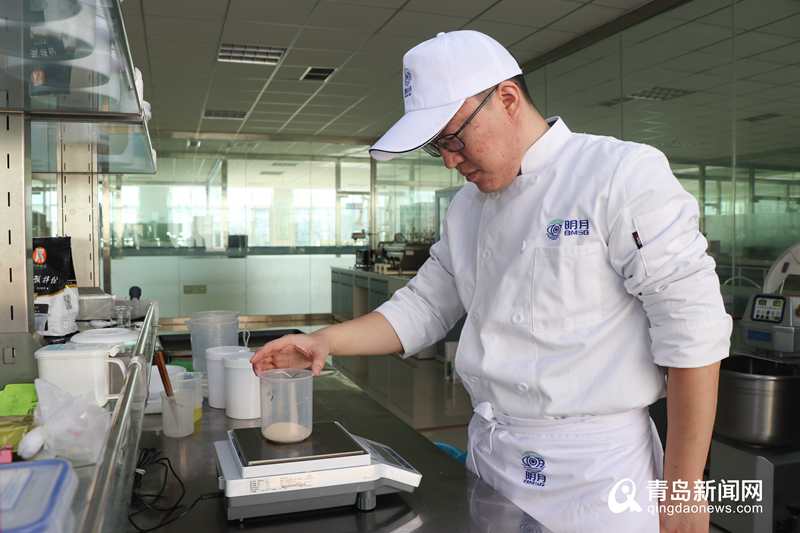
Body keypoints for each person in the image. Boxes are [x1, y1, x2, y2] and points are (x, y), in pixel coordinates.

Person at [251, 31, 732, 533]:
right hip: (493, 461)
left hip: (595, 478)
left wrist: (683, 492)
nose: (449, 160)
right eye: (437, 146)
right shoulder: (467, 208)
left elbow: (692, 331)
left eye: (454, 137)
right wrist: (323, 341)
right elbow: (424, 306)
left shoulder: (619, 174)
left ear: (506, 98)